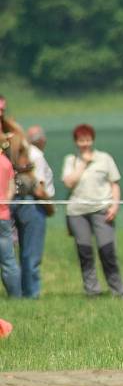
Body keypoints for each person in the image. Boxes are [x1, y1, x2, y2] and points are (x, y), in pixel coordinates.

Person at [62, 124, 123, 297]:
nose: (85, 143)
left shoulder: (105, 158)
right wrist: (83, 164)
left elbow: (114, 183)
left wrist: (115, 205)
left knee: (107, 251)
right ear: (76, 142)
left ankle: (118, 290)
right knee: (85, 252)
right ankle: (92, 290)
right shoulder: (71, 160)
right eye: (81, 140)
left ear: (93, 140)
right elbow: (68, 182)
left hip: (101, 210)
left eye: (88, 139)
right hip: (77, 212)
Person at [10, 126, 55, 299]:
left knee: (16, 254)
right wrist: (49, 207)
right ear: (42, 140)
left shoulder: (20, 152)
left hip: (15, 201)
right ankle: (31, 293)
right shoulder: (36, 155)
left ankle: (18, 292)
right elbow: (39, 188)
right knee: (31, 254)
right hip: (33, 204)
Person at [0, 149, 21, 298]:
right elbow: (11, 189)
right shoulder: (6, 162)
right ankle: (15, 297)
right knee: (8, 260)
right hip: (3, 215)